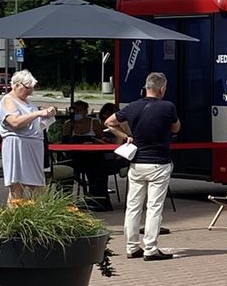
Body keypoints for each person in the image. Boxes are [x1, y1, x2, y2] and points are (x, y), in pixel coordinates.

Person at [106, 72, 181, 261]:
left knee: (133, 206)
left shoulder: (132, 107)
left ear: (146, 87)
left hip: (137, 163)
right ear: (162, 88)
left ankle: (132, 247)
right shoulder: (168, 107)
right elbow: (176, 128)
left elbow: (109, 122)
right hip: (159, 163)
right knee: (154, 207)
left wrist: (125, 136)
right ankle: (151, 248)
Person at [0, 69, 56, 200]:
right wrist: (38, 114)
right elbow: (15, 122)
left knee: (39, 187)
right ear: (16, 85)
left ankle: (38, 216)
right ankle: (13, 216)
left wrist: (46, 116)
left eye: (32, 88)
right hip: (17, 145)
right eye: (27, 87)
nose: (30, 91)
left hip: (34, 146)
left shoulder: (29, 102)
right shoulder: (8, 100)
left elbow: (35, 123)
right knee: (17, 186)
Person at [62, 100, 111, 210]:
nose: (77, 113)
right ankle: (65, 201)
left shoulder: (94, 123)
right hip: (75, 157)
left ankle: (97, 199)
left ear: (86, 111)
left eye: (79, 110)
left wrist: (93, 142)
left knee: (97, 170)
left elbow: (102, 139)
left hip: (93, 156)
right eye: (75, 111)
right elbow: (64, 142)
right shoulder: (68, 124)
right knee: (65, 172)